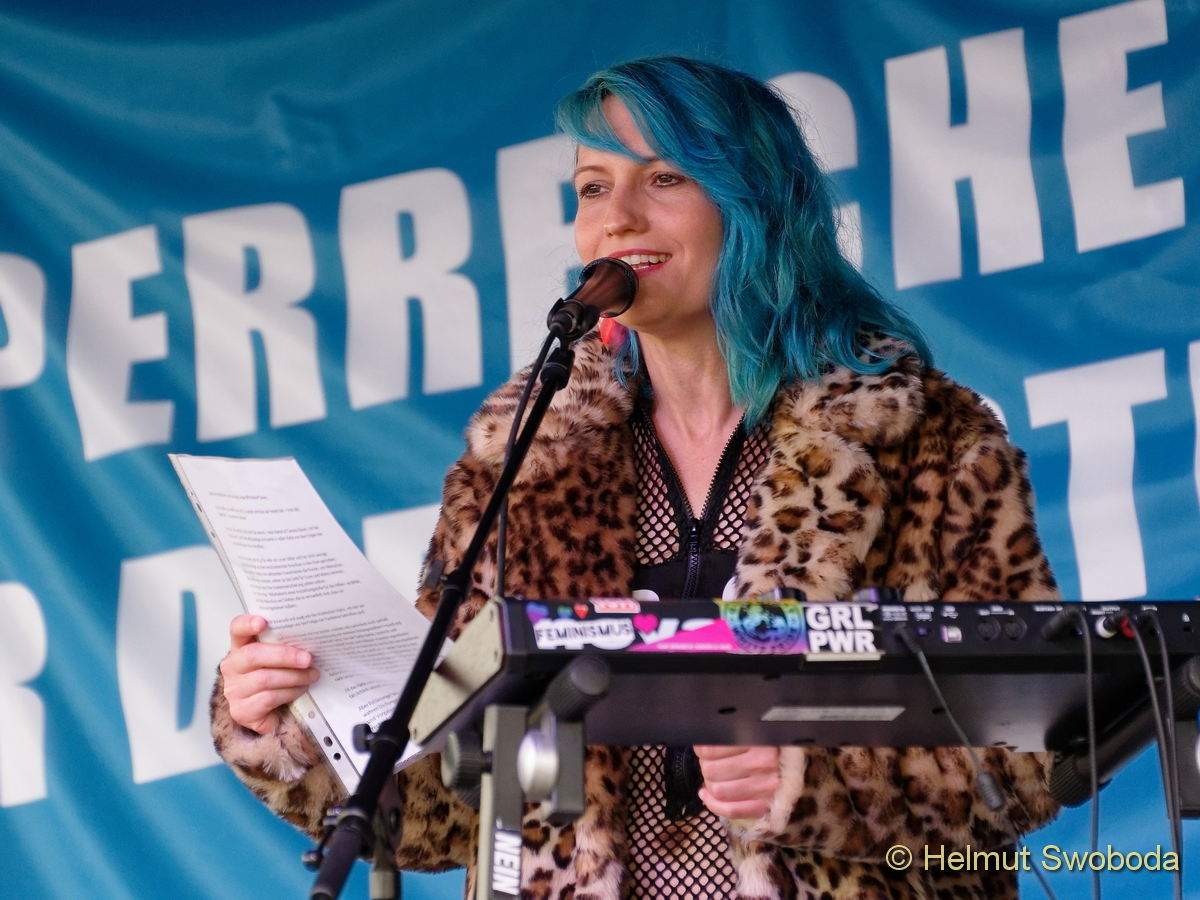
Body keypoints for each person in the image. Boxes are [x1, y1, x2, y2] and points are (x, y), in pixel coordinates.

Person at [211, 56, 1061, 898]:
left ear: (754, 202)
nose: (616, 219)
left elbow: (1031, 756)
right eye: (592, 188)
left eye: (663, 179)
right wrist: (287, 723)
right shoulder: (524, 465)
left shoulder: (930, 444)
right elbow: (445, 807)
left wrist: (817, 782)